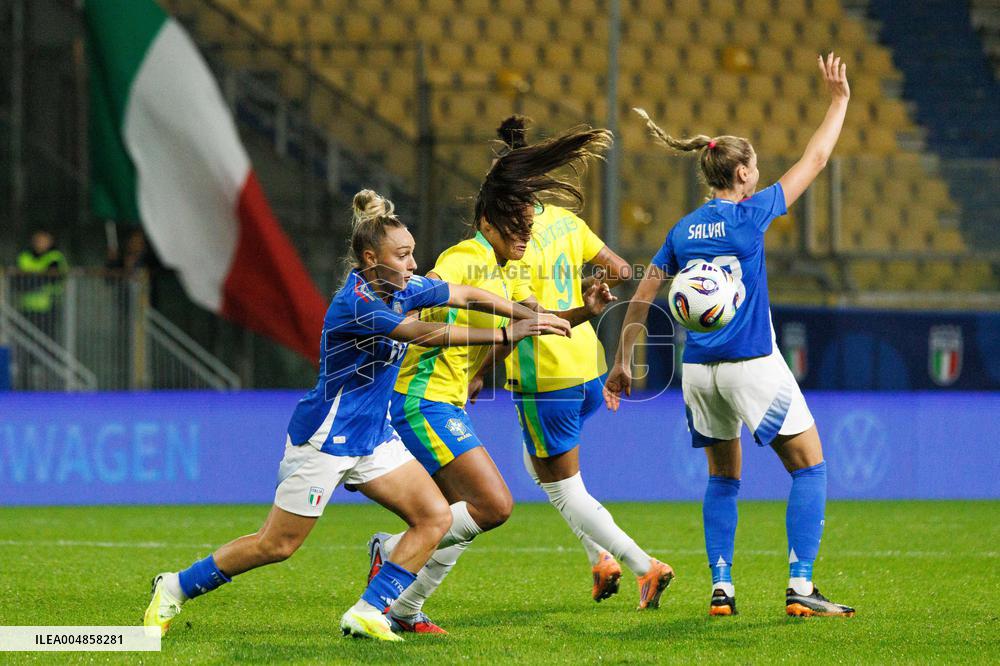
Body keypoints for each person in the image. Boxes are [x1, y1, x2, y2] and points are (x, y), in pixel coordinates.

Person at [143, 189, 569, 642]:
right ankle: (175, 586)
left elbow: (464, 293)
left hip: (374, 436)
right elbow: (423, 333)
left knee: (434, 517)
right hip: (326, 437)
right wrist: (508, 334)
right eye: (403, 255)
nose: (412, 264)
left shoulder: (403, 289)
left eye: (412, 254)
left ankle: (369, 610)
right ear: (371, 258)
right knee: (278, 545)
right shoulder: (359, 303)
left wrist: (525, 310)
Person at [604, 53, 855, 618]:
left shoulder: (682, 229)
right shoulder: (752, 214)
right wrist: (838, 100)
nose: (761, 174)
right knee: (810, 465)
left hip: (698, 373)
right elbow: (815, 158)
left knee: (723, 477)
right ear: (741, 174)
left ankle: (722, 588)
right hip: (751, 362)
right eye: (757, 167)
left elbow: (642, 297)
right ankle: (801, 587)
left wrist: (623, 361)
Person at [366, 127, 619, 634]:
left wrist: (583, 311)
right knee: (493, 505)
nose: (525, 235)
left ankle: (405, 610)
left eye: (529, 226)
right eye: (515, 226)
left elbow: (531, 324)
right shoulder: (467, 257)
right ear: (487, 221)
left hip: (446, 399)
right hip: (421, 398)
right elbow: (428, 298)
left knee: (458, 514)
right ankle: (392, 552)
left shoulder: (506, 269)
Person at [492, 116, 675, 609]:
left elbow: (523, 315)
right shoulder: (565, 222)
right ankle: (600, 559)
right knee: (538, 468)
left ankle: (644, 566)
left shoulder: (510, 240)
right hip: (589, 370)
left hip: (544, 378)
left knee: (565, 488)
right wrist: (593, 286)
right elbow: (618, 269)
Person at [15, 230, 69, 340]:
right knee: (26, 341)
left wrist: (30, 281)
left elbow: (51, 279)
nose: (40, 242)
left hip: (49, 307)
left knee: (47, 341)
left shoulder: (55, 257)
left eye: (44, 239)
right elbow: (16, 280)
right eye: (38, 239)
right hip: (27, 307)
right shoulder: (25, 256)